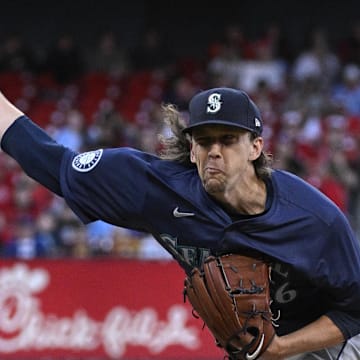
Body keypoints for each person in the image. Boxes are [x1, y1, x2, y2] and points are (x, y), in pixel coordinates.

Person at [0, 86, 360, 360]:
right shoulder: (158, 190)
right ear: (191, 151)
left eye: (228, 139)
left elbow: (355, 311)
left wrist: (282, 348)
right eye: (203, 141)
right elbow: (53, 163)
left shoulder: (314, 220)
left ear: (255, 148)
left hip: (330, 341)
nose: (214, 150)